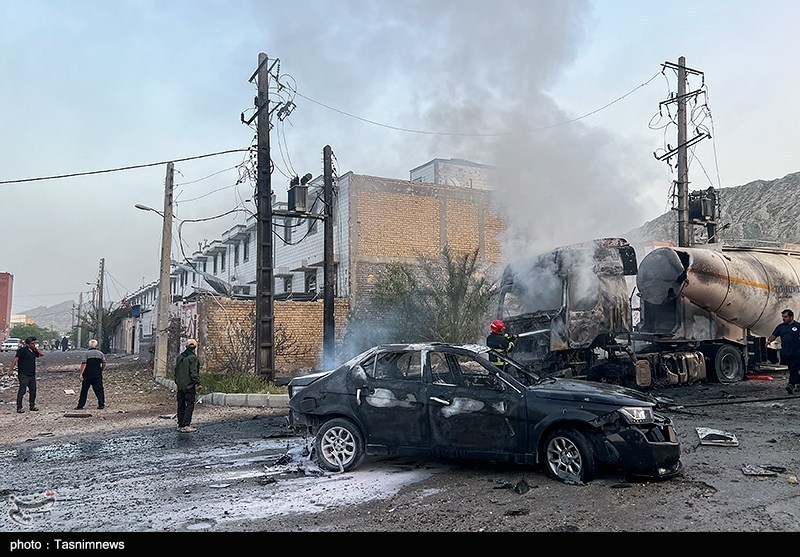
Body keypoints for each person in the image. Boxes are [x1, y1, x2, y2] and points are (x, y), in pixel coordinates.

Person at [766, 308, 800, 394]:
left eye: (785, 317)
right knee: (792, 369)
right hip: (786, 352)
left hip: (796, 352)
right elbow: (774, 335)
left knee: (794, 367)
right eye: (783, 317)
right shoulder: (781, 327)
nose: (783, 318)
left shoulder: (798, 326)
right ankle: (798, 383)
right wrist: (769, 341)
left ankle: (791, 385)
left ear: (791, 317)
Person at [8, 336, 45, 413]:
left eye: (34, 343)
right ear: (27, 344)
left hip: (32, 374)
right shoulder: (22, 351)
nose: (33, 345)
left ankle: (32, 405)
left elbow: (42, 354)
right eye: (32, 343)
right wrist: (11, 369)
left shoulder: (33, 351)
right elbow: (15, 360)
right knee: (22, 391)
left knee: (33, 391)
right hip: (23, 374)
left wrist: (36, 349)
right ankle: (19, 407)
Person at [175, 339, 202, 433]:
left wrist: (177, 381)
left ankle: (180, 424)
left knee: (181, 404)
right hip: (189, 385)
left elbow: (176, 370)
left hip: (180, 385)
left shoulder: (180, 357)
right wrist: (198, 383)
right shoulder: (192, 358)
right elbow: (193, 372)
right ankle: (186, 424)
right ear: (195, 347)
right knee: (189, 405)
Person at [75, 339, 106, 410]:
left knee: (84, 390)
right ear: (96, 346)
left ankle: (80, 405)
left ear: (89, 346)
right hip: (97, 374)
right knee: (99, 389)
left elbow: (84, 364)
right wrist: (101, 369)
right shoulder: (100, 354)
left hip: (87, 374)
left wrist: (81, 374)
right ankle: (101, 404)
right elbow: (104, 363)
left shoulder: (86, 354)